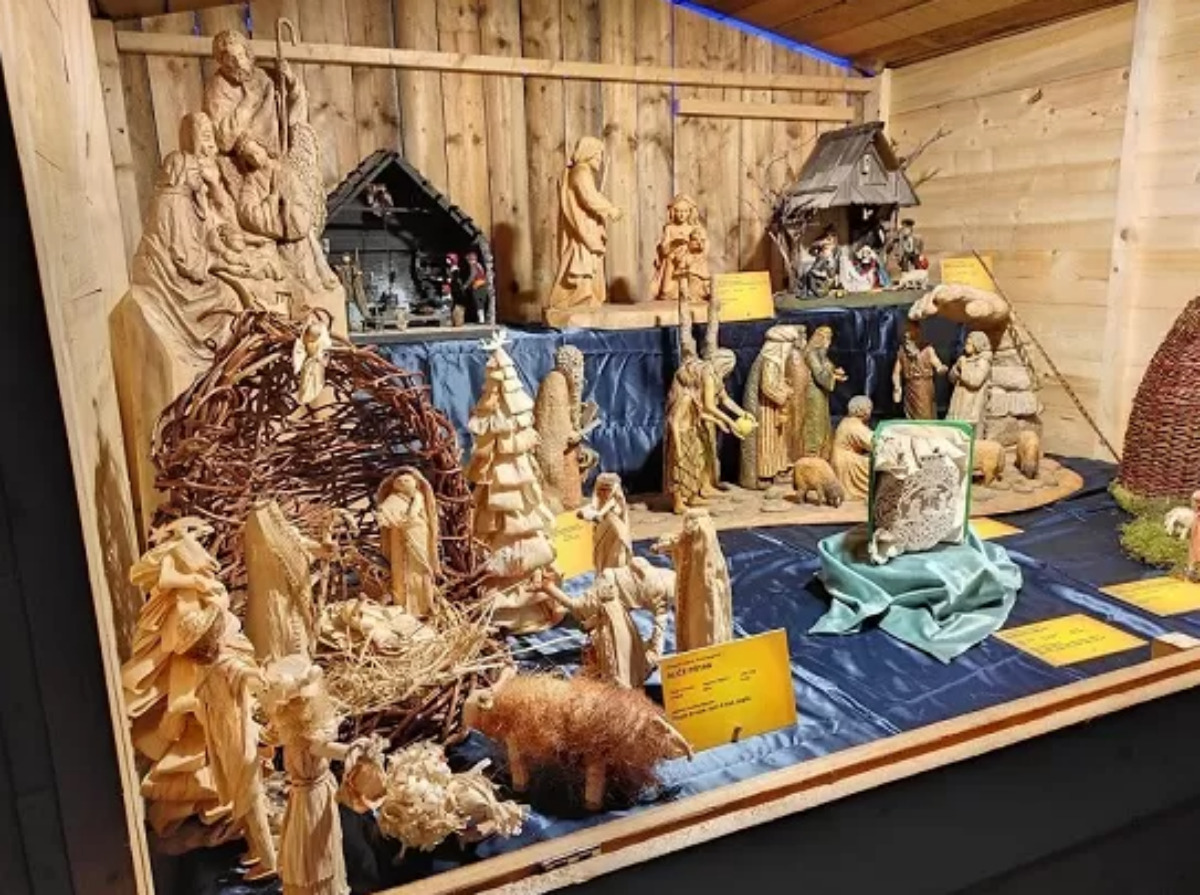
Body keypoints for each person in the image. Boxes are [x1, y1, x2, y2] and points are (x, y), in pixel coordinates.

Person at [548, 136, 623, 309]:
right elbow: (589, 198)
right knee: (582, 258)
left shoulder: (581, 172)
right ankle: (576, 296)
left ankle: (584, 295)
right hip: (583, 226)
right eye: (598, 155)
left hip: (586, 224)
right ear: (589, 153)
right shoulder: (581, 172)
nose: (600, 160)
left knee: (587, 258)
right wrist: (610, 209)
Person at [377, 469, 441, 617]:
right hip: (399, 539)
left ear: (416, 483)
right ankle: (402, 605)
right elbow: (384, 514)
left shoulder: (419, 498)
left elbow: (419, 516)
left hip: (418, 535)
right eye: (399, 481)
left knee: (421, 570)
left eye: (407, 480)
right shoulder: (393, 498)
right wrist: (390, 519)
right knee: (400, 571)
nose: (402, 483)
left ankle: (424, 606)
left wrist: (410, 520)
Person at [801, 326, 847, 460]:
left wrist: (835, 372)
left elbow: (826, 367)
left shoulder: (820, 353)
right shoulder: (811, 354)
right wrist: (833, 377)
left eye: (830, 338)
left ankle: (823, 453)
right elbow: (820, 375)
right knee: (815, 422)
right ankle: (813, 454)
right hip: (814, 393)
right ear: (820, 338)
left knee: (823, 422)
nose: (829, 341)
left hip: (821, 392)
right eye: (827, 338)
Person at [893, 320, 948, 420]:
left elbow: (937, 364)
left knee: (924, 414)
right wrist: (897, 387)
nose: (905, 334)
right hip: (909, 387)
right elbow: (896, 372)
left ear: (917, 331)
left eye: (909, 330)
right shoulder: (902, 351)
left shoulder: (927, 349)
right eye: (905, 331)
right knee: (910, 414)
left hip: (923, 387)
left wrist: (940, 368)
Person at [579, 473, 632, 573]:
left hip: (616, 543)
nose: (602, 493)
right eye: (601, 489)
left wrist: (596, 515)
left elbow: (604, 514)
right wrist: (584, 513)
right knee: (601, 565)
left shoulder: (616, 504)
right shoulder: (597, 504)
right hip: (601, 542)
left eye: (607, 490)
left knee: (615, 567)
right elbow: (588, 511)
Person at [831, 396, 875, 501]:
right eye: (869, 408)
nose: (870, 411)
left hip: (840, 458)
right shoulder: (854, 425)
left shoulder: (848, 421)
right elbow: (873, 442)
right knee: (874, 465)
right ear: (862, 410)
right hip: (846, 463)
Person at [947, 330, 994, 425]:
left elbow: (975, 381)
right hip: (959, 401)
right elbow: (951, 379)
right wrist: (956, 368)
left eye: (969, 344)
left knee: (968, 429)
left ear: (977, 345)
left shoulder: (983, 361)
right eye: (966, 343)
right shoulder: (964, 359)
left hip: (971, 403)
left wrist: (963, 366)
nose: (966, 346)